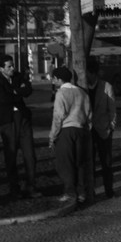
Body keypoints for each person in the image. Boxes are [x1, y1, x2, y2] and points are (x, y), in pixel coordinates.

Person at [0, 55, 41, 199]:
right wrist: (18, 91)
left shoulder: (18, 76)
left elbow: (28, 90)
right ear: (1, 69)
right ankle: (14, 188)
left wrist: (14, 91)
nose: (12, 69)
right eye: (9, 67)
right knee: (11, 155)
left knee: (30, 154)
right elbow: (3, 99)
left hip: (23, 118)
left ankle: (31, 185)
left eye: (13, 66)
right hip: (8, 120)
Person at [49, 66, 92, 202]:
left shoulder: (61, 93)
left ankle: (69, 192)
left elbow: (58, 116)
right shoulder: (82, 93)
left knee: (65, 163)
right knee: (79, 162)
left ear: (59, 79)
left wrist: (52, 136)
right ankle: (81, 192)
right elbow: (89, 114)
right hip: (80, 129)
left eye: (54, 79)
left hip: (66, 131)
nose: (53, 81)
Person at [86, 55, 117, 198]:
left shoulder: (106, 86)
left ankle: (109, 190)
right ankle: (90, 191)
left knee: (107, 162)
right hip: (87, 130)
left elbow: (112, 110)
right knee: (89, 162)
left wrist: (111, 126)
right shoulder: (82, 87)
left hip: (104, 130)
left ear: (92, 73)